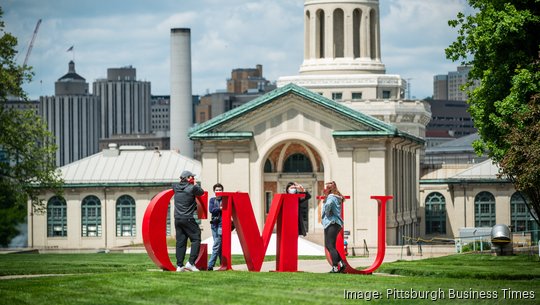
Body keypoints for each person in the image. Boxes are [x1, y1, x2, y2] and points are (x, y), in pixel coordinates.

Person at [173, 170, 205, 272]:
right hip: (188, 218)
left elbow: (176, 185)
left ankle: (179, 265)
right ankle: (191, 263)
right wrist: (195, 184)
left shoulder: (175, 187)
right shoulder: (192, 188)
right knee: (196, 238)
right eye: (192, 177)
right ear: (188, 178)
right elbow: (201, 192)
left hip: (177, 219)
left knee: (181, 242)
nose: (193, 178)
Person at [322, 180, 346, 273]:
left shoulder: (331, 197)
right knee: (330, 246)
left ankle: (335, 268)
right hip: (335, 223)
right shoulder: (336, 197)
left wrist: (327, 213)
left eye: (326, 188)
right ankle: (341, 264)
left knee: (330, 246)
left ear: (329, 190)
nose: (324, 190)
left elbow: (328, 205)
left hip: (331, 222)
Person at [207, 183, 224, 271]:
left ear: (222, 191)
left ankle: (210, 265)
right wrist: (220, 208)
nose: (218, 191)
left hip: (222, 225)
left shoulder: (225, 199)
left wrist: (217, 209)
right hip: (214, 225)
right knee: (219, 246)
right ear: (214, 191)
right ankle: (223, 264)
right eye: (217, 190)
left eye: (220, 190)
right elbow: (211, 210)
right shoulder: (212, 200)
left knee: (216, 245)